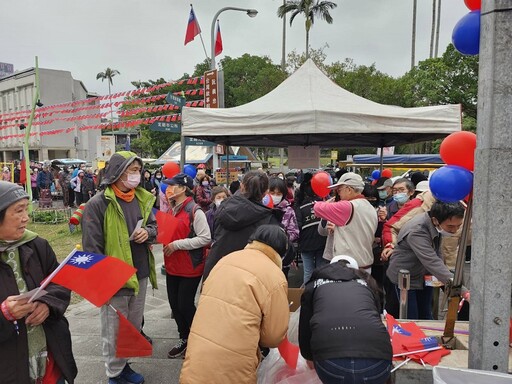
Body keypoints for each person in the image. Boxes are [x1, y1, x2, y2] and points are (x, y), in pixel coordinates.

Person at [81, 151, 158, 384]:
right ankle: (113, 374)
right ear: (117, 173)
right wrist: (102, 282)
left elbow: (153, 225)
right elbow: (92, 247)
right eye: (132, 170)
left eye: (138, 170)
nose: (137, 175)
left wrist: (149, 233)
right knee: (113, 330)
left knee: (132, 327)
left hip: (140, 272)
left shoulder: (141, 198)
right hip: (114, 278)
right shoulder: (98, 204)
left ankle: (123, 366)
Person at [180, 225, 290, 384]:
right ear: (281, 251)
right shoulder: (275, 276)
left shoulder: (226, 259)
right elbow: (273, 337)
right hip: (234, 366)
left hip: (198, 356)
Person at [0, 181, 77, 383]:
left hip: (51, 360)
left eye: (27, 209)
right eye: (18, 211)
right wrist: (4, 313)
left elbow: (59, 281)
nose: (26, 217)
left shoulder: (36, 245)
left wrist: (47, 305)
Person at [299, 255, 392, 384]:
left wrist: (309, 357)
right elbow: (376, 318)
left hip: (331, 363)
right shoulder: (368, 284)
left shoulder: (314, 286)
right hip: (378, 362)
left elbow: (305, 330)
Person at [386, 201, 466, 320]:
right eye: (450, 226)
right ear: (435, 220)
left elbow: (437, 252)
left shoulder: (435, 223)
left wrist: (447, 280)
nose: (454, 230)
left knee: (425, 315)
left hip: (424, 276)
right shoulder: (417, 230)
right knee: (411, 319)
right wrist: (460, 289)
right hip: (405, 280)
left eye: (458, 226)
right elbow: (431, 260)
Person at [162, 173, 211, 359]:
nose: (168, 189)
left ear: (183, 188)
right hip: (172, 265)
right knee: (174, 305)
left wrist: (177, 244)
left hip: (191, 265)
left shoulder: (195, 210)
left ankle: (198, 338)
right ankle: (184, 338)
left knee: (185, 304)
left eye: (172, 186)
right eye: (167, 186)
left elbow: (205, 238)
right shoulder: (170, 209)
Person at [202, 171, 282, 281]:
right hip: (250, 277)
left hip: (217, 270)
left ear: (242, 186)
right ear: (266, 192)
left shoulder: (224, 207)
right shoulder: (269, 219)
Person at [314, 172, 378, 273]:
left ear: (348, 189)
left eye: (339, 190)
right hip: (365, 264)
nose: (338, 193)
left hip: (348, 267)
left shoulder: (348, 206)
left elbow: (317, 208)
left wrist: (328, 202)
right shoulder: (369, 206)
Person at [295, 173, 327, 284]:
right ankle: (320, 295)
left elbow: (297, 226)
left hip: (305, 244)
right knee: (320, 270)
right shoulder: (325, 205)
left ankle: (307, 297)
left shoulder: (299, 207)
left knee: (308, 272)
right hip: (322, 242)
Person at [269, 176, 299, 278]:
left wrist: (280, 238)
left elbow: (294, 232)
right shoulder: (260, 209)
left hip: (282, 257)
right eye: (272, 193)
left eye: (278, 194)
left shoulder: (288, 210)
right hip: (263, 257)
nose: (275, 196)